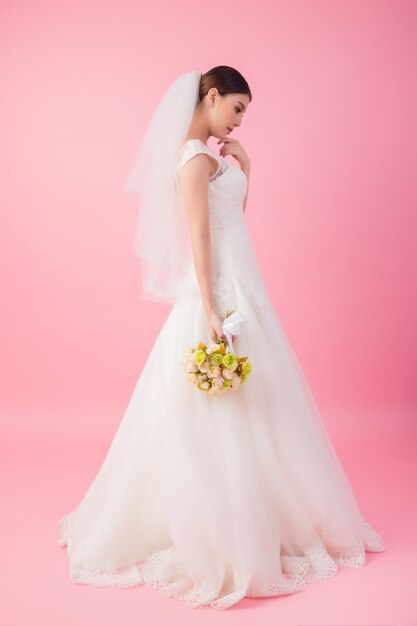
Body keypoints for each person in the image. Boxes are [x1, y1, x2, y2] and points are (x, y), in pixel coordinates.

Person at [57, 66, 385, 610]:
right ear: (211, 96)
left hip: (242, 282)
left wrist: (247, 168)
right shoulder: (192, 159)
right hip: (222, 293)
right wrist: (211, 307)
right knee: (218, 405)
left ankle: (263, 512)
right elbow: (200, 234)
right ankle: (220, 523)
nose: (238, 120)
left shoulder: (212, 158)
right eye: (236, 108)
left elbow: (230, 217)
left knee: (261, 399)